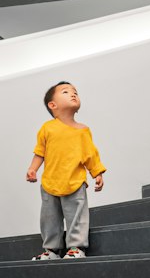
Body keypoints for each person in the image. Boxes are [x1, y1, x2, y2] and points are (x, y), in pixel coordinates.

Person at [25, 81, 106, 260]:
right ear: (52, 105)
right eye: (65, 91)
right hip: (50, 182)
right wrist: (33, 169)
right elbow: (40, 152)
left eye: (75, 92)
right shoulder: (47, 128)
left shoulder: (83, 131)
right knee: (49, 218)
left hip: (74, 181)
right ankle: (51, 250)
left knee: (77, 215)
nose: (73, 94)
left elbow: (90, 155)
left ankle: (76, 247)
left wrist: (97, 173)